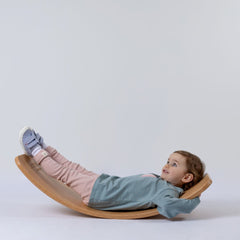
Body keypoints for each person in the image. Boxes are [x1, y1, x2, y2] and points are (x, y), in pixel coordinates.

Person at [19, 126, 205, 218]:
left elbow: (169, 207)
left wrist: (193, 200)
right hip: (104, 184)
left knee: (65, 173)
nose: (166, 165)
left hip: (100, 194)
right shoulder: (164, 184)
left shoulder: (168, 192)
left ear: (186, 177)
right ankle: (46, 148)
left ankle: (36, 151)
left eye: (173, 164)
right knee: (73, 167)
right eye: (167, 161)